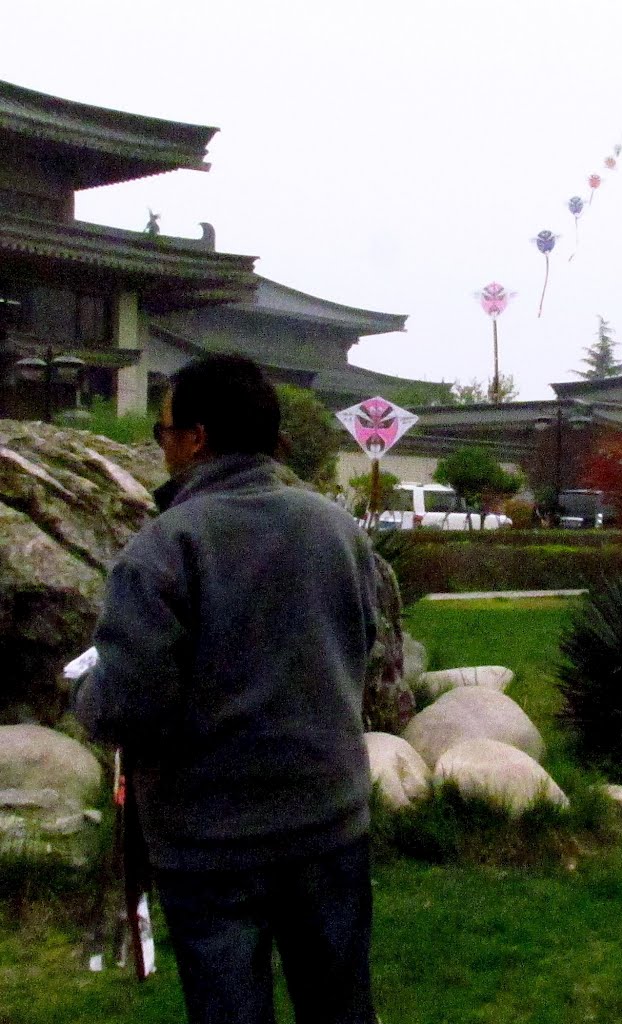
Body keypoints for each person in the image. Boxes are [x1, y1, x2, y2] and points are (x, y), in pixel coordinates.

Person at [72, 353, 379, 1024]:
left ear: (195, 439)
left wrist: (84, 692)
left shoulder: (162, 547)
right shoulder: (339, 531)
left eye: (162, 432)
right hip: (329, 823)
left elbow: (128, 704)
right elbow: (364, 646)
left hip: (213, 844)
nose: (163, 447)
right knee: (341, 1009)